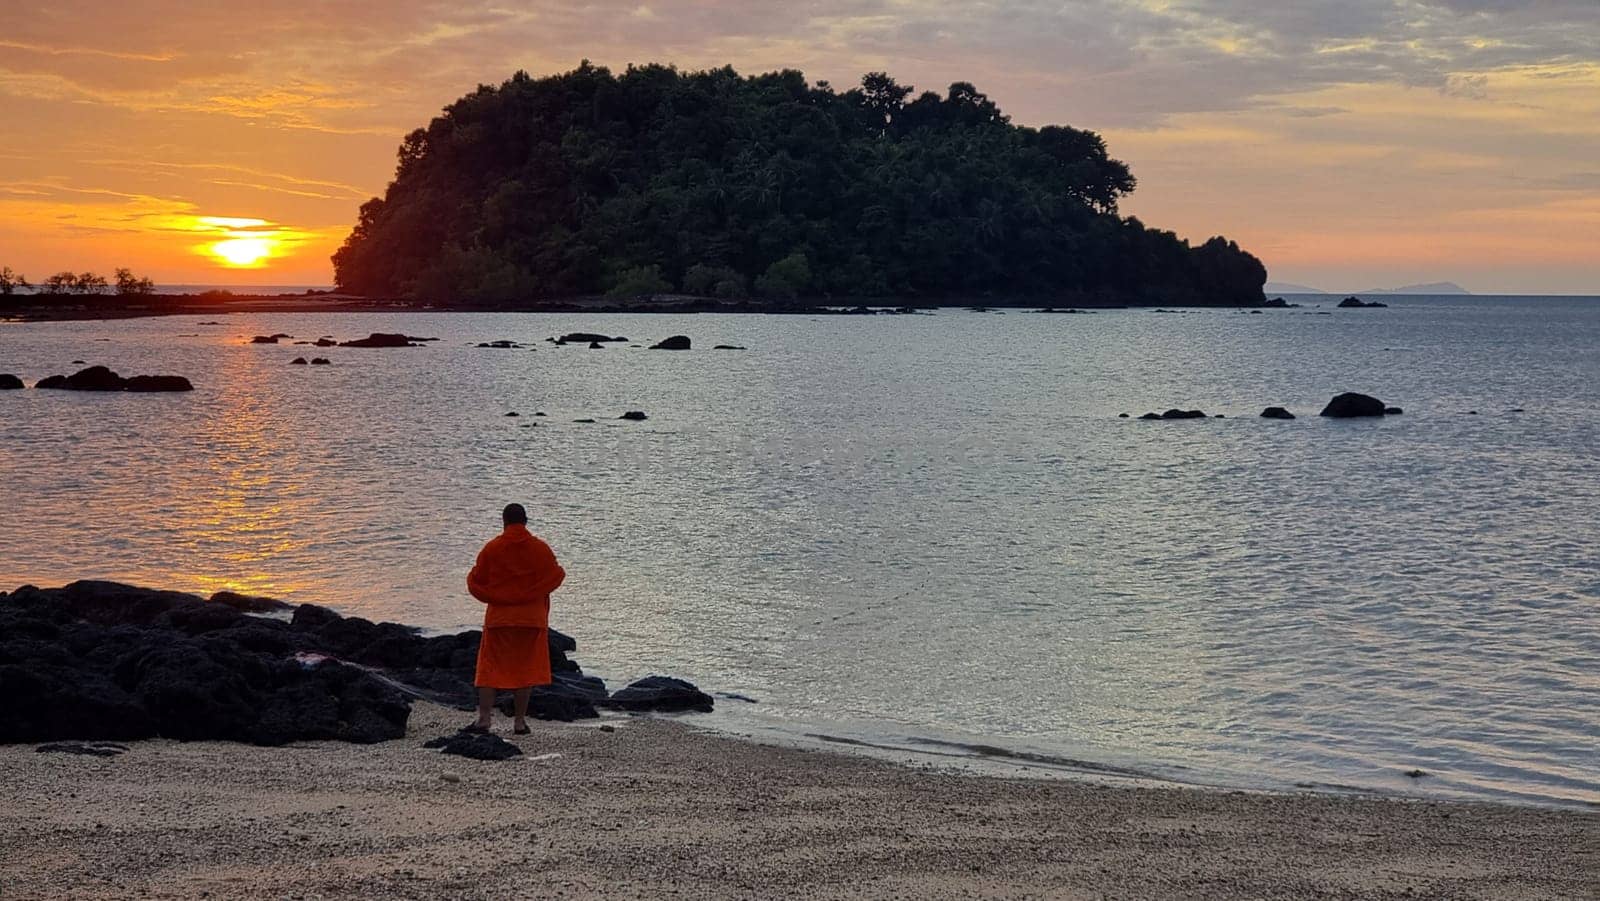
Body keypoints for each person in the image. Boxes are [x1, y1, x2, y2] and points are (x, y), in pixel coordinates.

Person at [465, 503, 566, 734]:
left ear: (504, 521)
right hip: (531, 619)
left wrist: (474, 579)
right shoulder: (540, 549)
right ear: (526, 521)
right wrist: (534, 593)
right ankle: (519, 723)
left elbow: (477, 582)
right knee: (525, 670)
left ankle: (484, 720)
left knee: (489, 669)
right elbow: (557, 575)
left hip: (500, 618)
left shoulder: (492, 548)